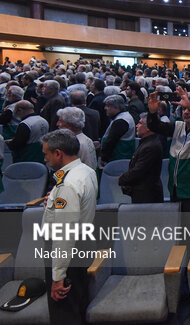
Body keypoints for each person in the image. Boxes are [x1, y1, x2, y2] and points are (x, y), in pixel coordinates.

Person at [41, 129, 98, 324]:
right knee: (78, 307)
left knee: (65, 315)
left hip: (68, 255)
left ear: (58, 153)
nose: (45, 159)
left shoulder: (67, 184)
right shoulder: (85, 171)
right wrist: (53, 201)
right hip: (81, 248)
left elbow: (64, 235)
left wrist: (58, 277)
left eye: (46, 154)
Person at [147, 86, 190, 212]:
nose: (186, 112)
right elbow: (154, 126)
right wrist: (152, 112)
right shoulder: (178, 126)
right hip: (175, 189)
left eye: (189, 109)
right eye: (184, 108)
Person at [118, 113, 164, 203]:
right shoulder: (147, 143)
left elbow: (139, 170)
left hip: (147, 195)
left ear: (148, 128)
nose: (137, 126)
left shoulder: (151, 146)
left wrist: (122, 178)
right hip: (142, 192)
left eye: (140, 123)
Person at [100, 95, 135, 165]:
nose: (105, 108)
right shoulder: (124, 117)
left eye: (108, 106)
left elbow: (111, 141)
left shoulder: (121, 121)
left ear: (117, 107)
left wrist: (104, 158)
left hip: (117, 158)